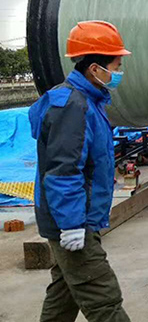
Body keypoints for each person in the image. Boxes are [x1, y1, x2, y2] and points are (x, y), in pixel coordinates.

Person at [29, 21, 132, 322]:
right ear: (95, 68)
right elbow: (64, 171)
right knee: (104, 299)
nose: (119, 72)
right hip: (73, 220)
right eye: (116, 65)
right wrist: (72, 224)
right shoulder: (73, 107)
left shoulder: (87, 100)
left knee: (63, 295)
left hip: (77, 215)